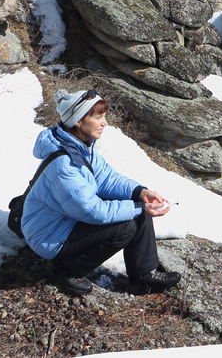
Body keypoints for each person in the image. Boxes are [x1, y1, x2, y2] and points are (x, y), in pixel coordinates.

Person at [21, 88, 182, 295]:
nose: (105, 123)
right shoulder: (63, 164)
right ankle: (64, 268)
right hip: (49, 235)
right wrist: (140, 207)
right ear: (78, 121)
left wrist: (140, 193)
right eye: (98, 117)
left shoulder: (81, 147)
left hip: (66, 220)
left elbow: (107, 179)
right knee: (126, 225)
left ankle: (143, 277)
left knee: (134, 206)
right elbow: (92, 211)